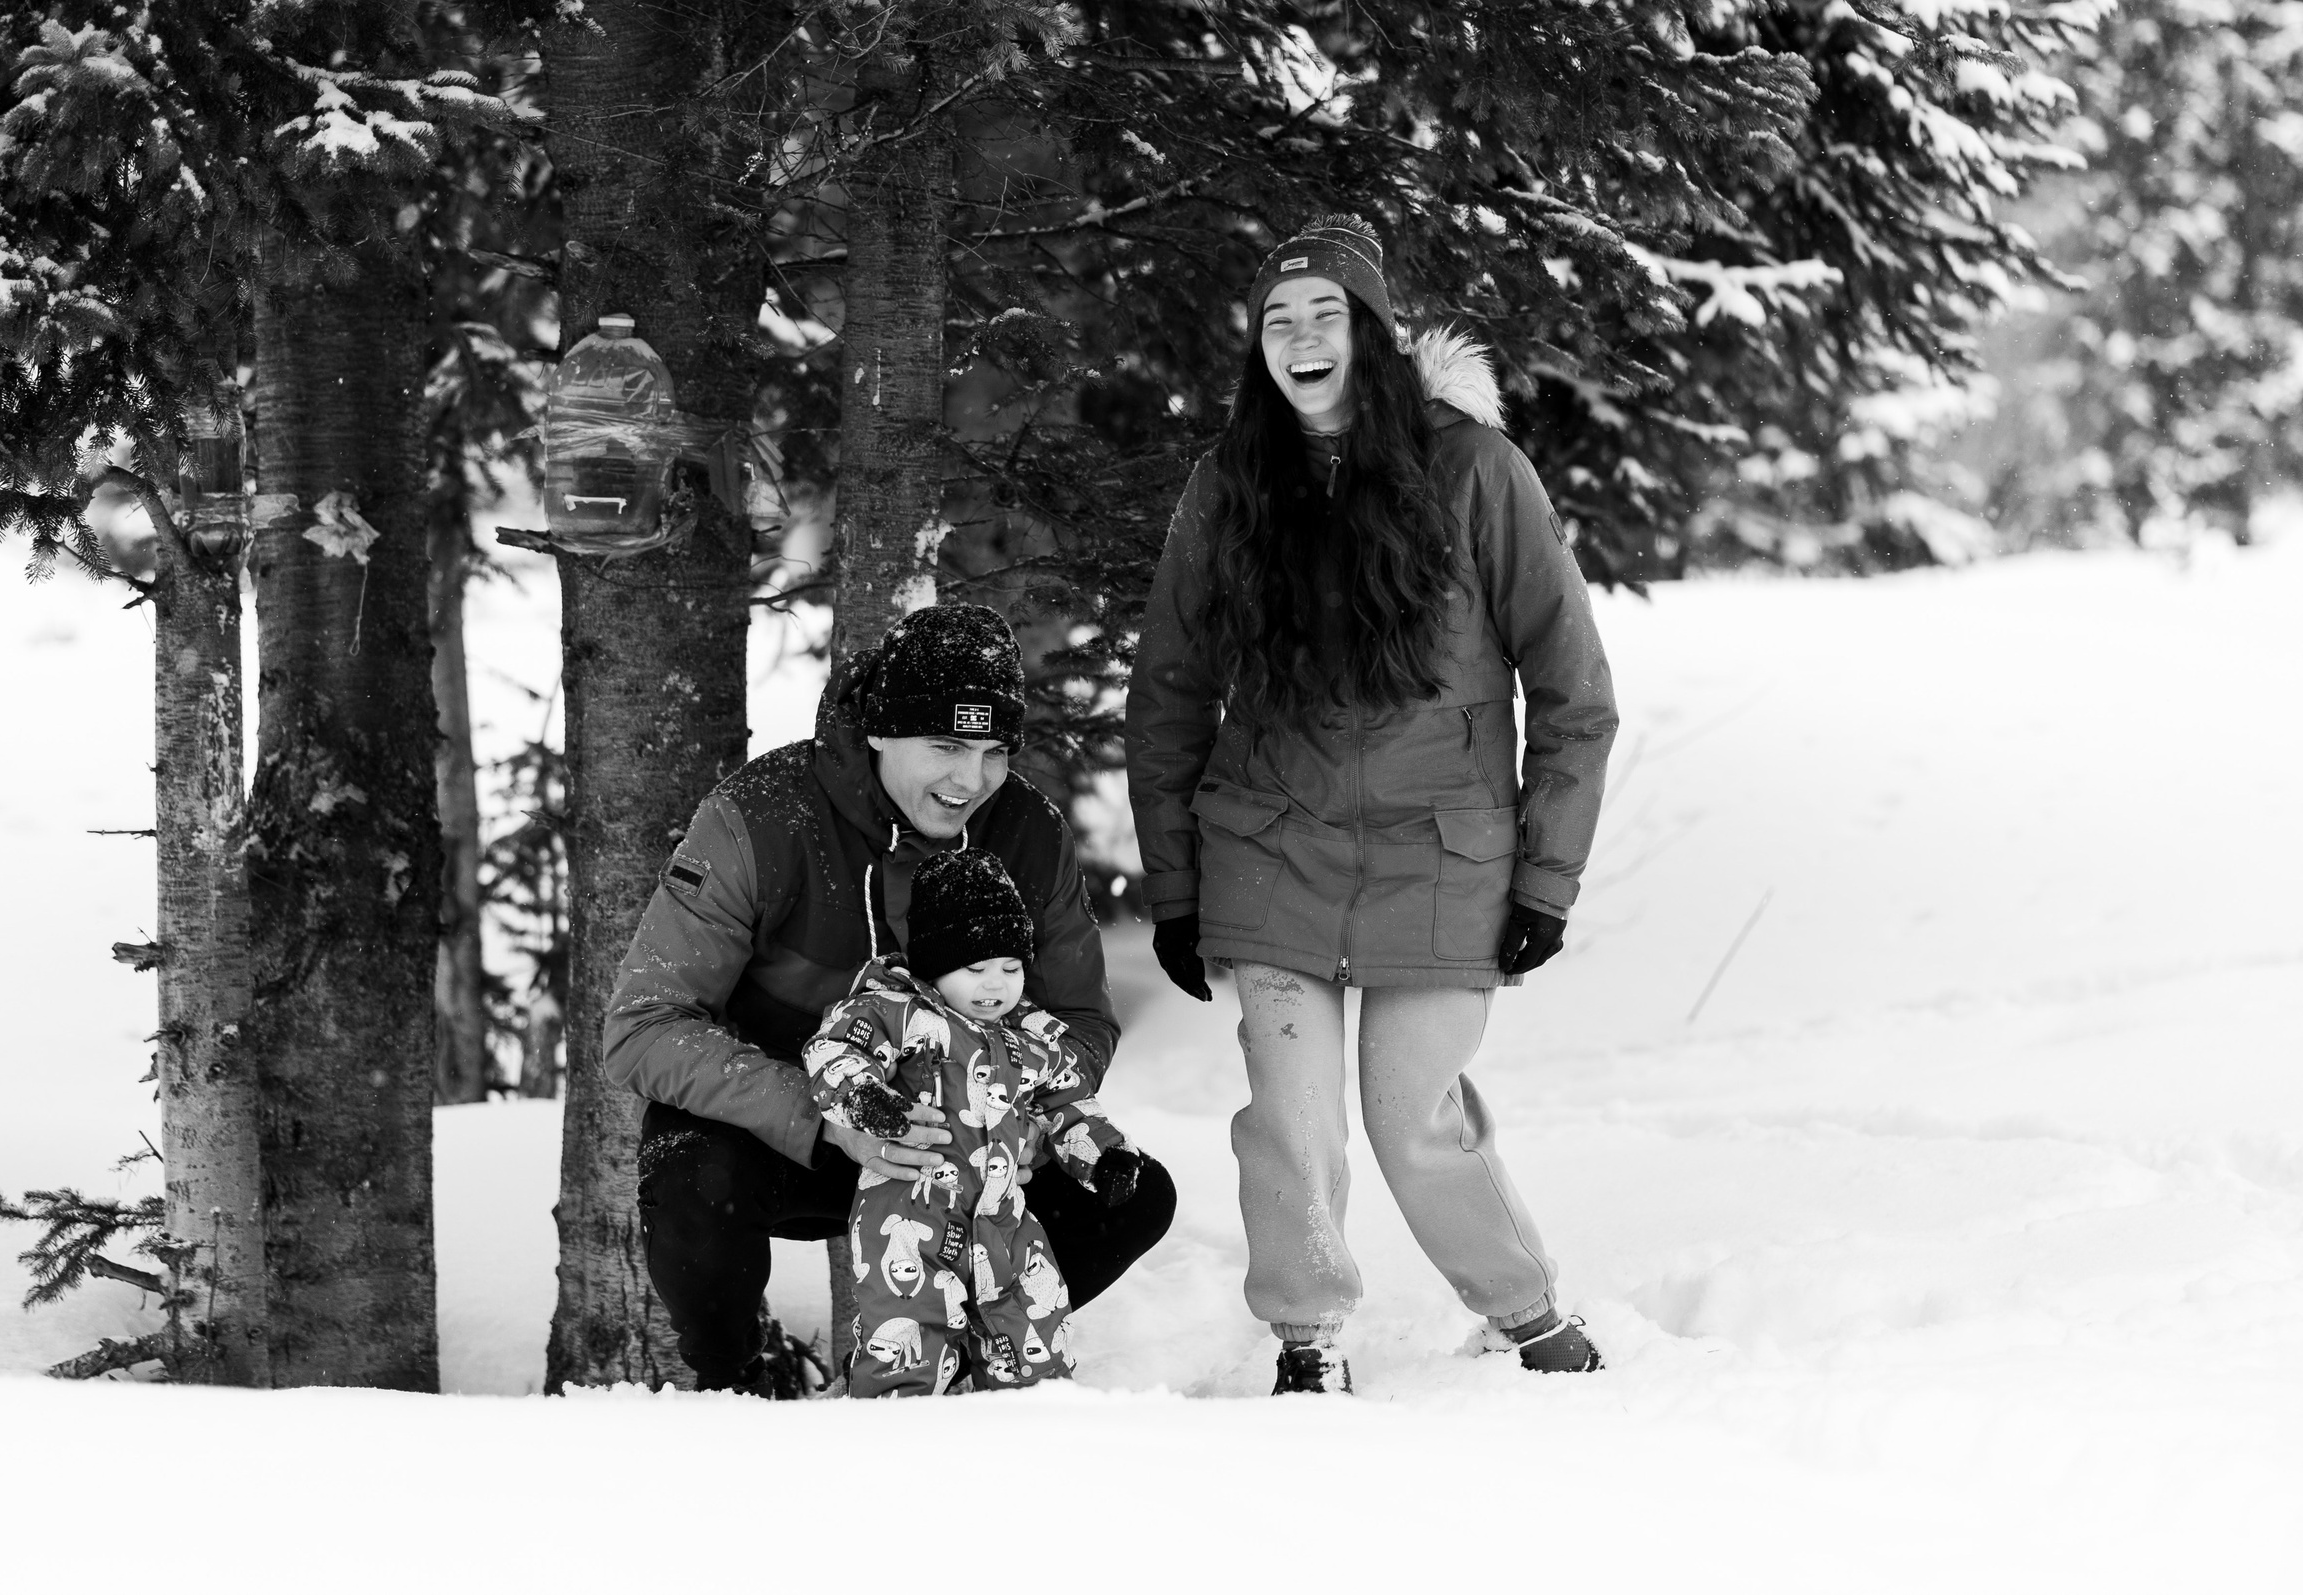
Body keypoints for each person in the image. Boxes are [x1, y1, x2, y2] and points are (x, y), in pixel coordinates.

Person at [1124, 215, 1619, 1396]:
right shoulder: (1229, 485)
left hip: (1441, 857)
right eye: (1275, 321)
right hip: (1269, 849)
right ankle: (1308, 1340)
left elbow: (1573, 692)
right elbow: (1171, 696)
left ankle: (1525, 1309)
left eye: (1324, 314)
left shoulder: (1477, 473)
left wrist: (1546, 879)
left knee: (1413, 1116)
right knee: (1290, 1124)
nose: (1299, 339)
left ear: (1377, 335)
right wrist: (1178, 888)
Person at [606, 602, 1178, 1394]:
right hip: (797, 1139)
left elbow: (1082, 1024)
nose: (968, 780)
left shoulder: (1027, 832)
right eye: (944, 745)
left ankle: (970, 1360)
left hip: (964, 1154)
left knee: (1136, 1194)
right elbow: (643, 1025)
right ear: (878, 729)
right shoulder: (761, 818)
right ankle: (737, 1384)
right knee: (687, 1171)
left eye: (990, 751)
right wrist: (831, 1119)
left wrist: (999, 1108)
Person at [804, 848, 1145, 1397]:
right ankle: (900, 1435)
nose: (996, 985)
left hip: (1004, 1219)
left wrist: (1105, 1157)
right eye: (977, 969)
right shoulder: (899, 1012)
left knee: (1033, 1324)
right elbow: (834, 1052)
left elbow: (1068, 1100)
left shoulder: (1030, 1034)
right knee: (908, 1332)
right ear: (937, 965)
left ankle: (1031, 1421)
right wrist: (867, 1100)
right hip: (909, 1216)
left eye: (1011, 968)